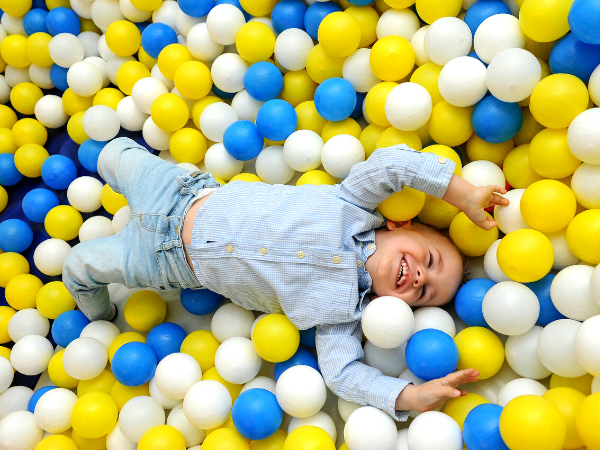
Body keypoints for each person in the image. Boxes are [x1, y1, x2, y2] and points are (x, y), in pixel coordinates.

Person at [62, 137, 508, 420]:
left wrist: (406, 397)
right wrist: (464, 194)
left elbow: (343, 374)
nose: (419, 277)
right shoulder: (353, 202)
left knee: (78, 268)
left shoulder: (344, 315)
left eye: (425, 292)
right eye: (429, 258)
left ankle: (101, 313)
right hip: (183, 192)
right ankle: (110, 173)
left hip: (165, 261)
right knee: (114, 153)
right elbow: (395, 166)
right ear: (401, 225)